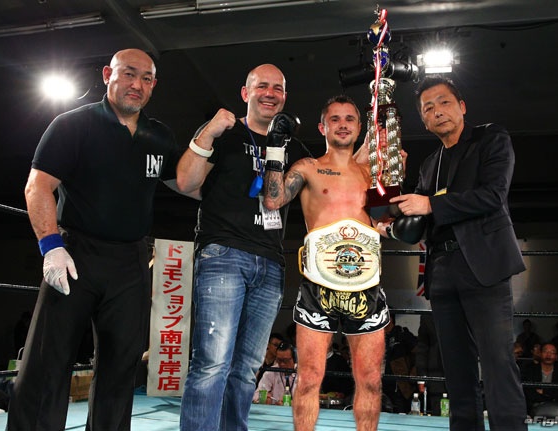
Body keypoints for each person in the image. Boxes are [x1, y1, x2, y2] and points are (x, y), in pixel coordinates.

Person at [6, 49, 181, 431]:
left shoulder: (159, 135)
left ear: (153, 85)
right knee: (47, 363)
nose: (136, 85)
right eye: (128, 74)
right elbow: (38, 187)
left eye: (146, 78)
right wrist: (51, 247)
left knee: (121, 368)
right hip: (76, 254)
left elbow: (189, 183)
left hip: (131, 261)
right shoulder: (73, 124)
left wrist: (212, 139)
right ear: (107, 74)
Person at [379, 76, 528, 431]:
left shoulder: (490, 138)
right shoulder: (430, 164)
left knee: (497, 364)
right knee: (456, 372)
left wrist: (430, 204)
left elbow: (493, 195)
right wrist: (388, 215)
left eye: (444, 102)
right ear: (424, 121)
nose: (437, 111)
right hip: (442, 271)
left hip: (483, 267)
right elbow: (417, 219)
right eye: (428, 108)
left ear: (462, 106)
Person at [176, 64, 309, 431]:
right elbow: (185, 182)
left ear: (285, 96)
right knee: (212, 362)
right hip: (224, 253)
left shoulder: (293, 145)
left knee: (248, 366)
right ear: (245, 93)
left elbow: (286, 196)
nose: (270, 93)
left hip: (270, 262)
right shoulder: (225, 133)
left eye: (278, 88)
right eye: (262, 86)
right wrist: (208, 132)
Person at [263, 95, 390, 431]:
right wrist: (274, 148)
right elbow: (273, 200)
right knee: (308, 378)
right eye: (335, 119)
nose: (343, 125)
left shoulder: (373, 174)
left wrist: (400, 218)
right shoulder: (308, 167)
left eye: (349, 119)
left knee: (370, 379)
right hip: (318, 286)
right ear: (322, 127)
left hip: (365, 285)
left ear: (359, 128)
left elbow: (385, 224)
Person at [521, 342, 558, 415]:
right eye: (545, 351)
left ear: (556, 356)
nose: (548, 355)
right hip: (533, 408)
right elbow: (528, 392)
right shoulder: (530, 369)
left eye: (552, 352)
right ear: (540, 354)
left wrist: (545, 391)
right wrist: (551, 396)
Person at [415, 313, 446, 416]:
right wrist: (421, 377)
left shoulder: (464, 311)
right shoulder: (427, 317)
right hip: (436, 375)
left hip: (460, 376)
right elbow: (422, 348)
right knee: (437, 413)